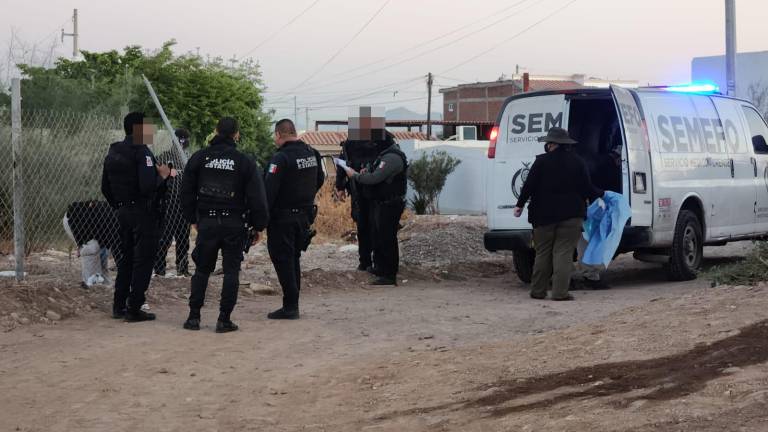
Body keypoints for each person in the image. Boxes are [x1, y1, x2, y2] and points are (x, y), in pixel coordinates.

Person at [180, 117, 269, 333]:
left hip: (207, 222)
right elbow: (257, 196)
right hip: (234, 223)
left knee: (202, 270)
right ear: (236, 135)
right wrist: (259, 225)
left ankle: (193, 317)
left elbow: (186, 192)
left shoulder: (199, 158)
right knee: (231, 272)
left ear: (216, 131)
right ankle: (224, 319)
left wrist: (192, 218)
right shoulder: (244, 161)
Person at [513, 127, 603, 301]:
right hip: (571, 215)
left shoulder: (541, 162)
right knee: (563, 252)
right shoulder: (578, 162)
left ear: (552, 144)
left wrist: (519, 205)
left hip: (543, 216)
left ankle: (538, 291)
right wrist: (602, 195)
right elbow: (587, 188)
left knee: (542, 252)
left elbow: (529, 186)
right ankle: (560, 293)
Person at [101, 112, 172, 321]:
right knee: (144, 260)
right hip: (143, 213)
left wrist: (120, 205)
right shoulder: (143, 153)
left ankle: (118, 305)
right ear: (139, 129)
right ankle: (134, 308)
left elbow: (105, 188)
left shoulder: (113, 151)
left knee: (126, 259)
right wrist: (162, 176)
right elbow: (147, 187)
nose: (152, 131)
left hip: (123, 213)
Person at [264, 119, 324, 320]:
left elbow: (269, 191)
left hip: (283, 217)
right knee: (293, 257)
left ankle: (290, 306)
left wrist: (261, 218)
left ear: (279, 135)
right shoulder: (312, 153)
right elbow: (320, 179)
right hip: (304, 215)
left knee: (282, 258)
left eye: (275, 136)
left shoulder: (280, 158)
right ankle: (292, 302)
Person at [343, 132, 407, 286]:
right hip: (382, 203)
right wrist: (367, 171)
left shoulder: (392, 157)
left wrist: (355, 175)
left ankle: (389, 274)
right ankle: (380, 268)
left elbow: (375, 178)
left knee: (387, 239)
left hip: (389, 204)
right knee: (379, 237)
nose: (371, 145)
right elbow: (376, 173)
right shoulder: (385, 155)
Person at [334, 138, 380, 272]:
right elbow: (342, 164)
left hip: (377, 190)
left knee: (376, 227)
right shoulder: (350, 143)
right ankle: (365, 261)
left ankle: (378, 263)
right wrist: (340, 186)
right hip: (358, 191)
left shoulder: (382, 138)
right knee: (363, 226)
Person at [154, 128, 192, 277]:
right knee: (165, 237)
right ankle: (159, 268)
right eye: (183, 138)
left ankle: (182, 269)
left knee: (183, 237)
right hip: (169, 202)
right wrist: (170, 172)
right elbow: (156, 168)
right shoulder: (165, 156)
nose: (185, 142)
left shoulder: (188, 157)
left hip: (184, 202)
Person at [63, 200, 120, 288]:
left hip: (97, 229)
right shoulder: (121, 221)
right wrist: (81, 243)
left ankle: (104, 284)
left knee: (102, 254)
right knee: (93, 248)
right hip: (75, 221)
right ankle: (91, 284)